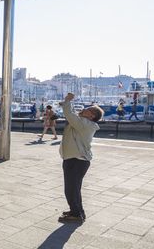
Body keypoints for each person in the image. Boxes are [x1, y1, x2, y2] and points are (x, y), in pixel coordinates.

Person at [58, 93, 103, 223]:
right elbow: (71, 115)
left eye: (88, 109)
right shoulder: (82, 122)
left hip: (77, 160)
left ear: (92, 116)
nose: (85, 109)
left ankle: (76, 214)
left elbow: (70, 115)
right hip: (74, 159)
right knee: (74, 188)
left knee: (71, 189)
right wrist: (66, 105)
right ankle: (77, 211)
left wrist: (68, 100)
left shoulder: (86, 124)